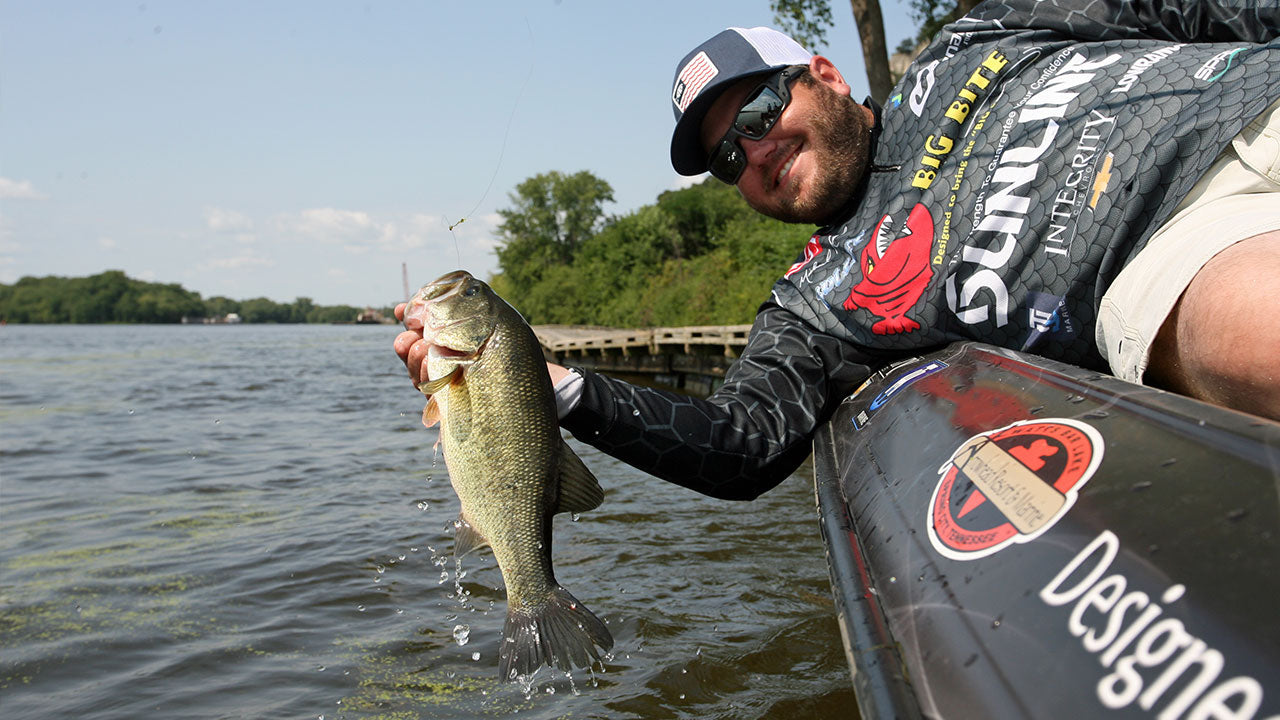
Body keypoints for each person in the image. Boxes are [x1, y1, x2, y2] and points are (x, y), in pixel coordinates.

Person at [396, 0, 1280, 501]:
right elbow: (739, 441)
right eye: (726, 159)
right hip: (1190, 239)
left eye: (754, 115)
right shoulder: (815, 301)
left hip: (1250, 90)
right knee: (1248, 335)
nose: (755, 152)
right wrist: (549, 387)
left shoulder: (971, 37)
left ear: (822, 73)